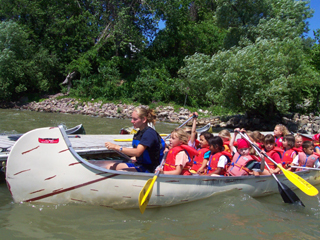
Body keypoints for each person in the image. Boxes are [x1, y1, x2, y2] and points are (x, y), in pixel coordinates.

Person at [105, 107, 165, 172]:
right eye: (132, 118)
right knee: (110, 166)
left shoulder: (149, 134)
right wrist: (136, 158)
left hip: (150, 168)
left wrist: (116, 147)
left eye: (135, 119)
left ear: (144, 119)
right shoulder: (139, 133)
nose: (132, 121)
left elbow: (138, 152)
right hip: (140, 164)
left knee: (121, 172)